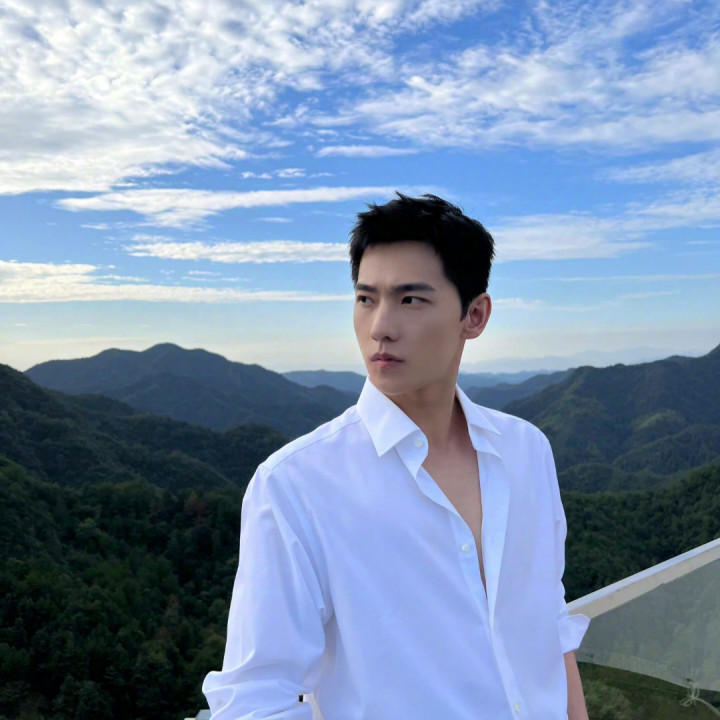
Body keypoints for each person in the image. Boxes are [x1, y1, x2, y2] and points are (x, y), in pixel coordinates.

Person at [203, 193, 590, 719]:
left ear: (474, 315)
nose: (380, 326)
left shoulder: (526, 452)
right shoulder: (296, 486)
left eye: (410, 300)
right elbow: (254, 700)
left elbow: (549, 626)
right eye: (366, 299)